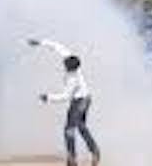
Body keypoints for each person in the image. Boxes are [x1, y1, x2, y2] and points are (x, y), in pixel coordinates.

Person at [29, 38, 100, 166]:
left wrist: (48, 97)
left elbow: (65, 96)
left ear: (72, 68)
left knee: (69, 129)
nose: (64, 65)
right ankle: (93, 152)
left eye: (67, 65)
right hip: (83, 99)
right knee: (81, 127)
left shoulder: (73, 79)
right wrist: (40, 43)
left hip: (81, 101)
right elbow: (57, 46)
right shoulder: (69, 57)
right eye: (65, 63)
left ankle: (72, 158)